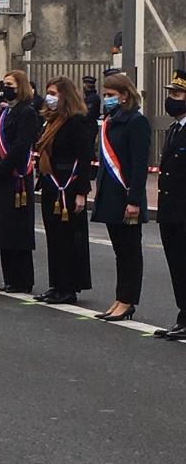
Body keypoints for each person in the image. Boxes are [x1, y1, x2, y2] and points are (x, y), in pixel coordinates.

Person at [91, 73, 151, 322]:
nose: (106, 100)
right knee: (119, 251)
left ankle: (128, 301)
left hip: (127, 196)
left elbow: (139, 165)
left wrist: (134, 200)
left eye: (111, 96)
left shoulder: (136, 122)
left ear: (125, 96)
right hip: (110, 196)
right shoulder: (111, 121)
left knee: (130, 251)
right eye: (105, 95)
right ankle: (119, 298)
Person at [34, 77, 94, 305]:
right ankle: (56, 284)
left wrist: (81, 192)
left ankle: (68, 287)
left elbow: (85, 156)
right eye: (47, 92)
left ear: (65, 96)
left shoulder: (76, 121)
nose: (49, 97)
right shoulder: (51, 120)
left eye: (53, 93)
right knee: (54, 237)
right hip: (51, 184)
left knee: (68, 238)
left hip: (68, 185)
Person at [0, 70, 39, 293]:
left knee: (18, 229)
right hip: (1, 177)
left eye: (10, 84)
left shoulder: (26, 113)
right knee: (4, 228)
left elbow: (19, 147)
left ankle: (22, 279)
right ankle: (10, 277)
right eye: (4, 83)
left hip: (16, 177)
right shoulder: (5, 112)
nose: (6, 88)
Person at [155, 70, 186, 340]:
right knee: (177, 267)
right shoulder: (174, 129)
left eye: (177, 95)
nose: (171, 100)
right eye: (170, 94)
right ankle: (183, 316)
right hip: (171, 212)